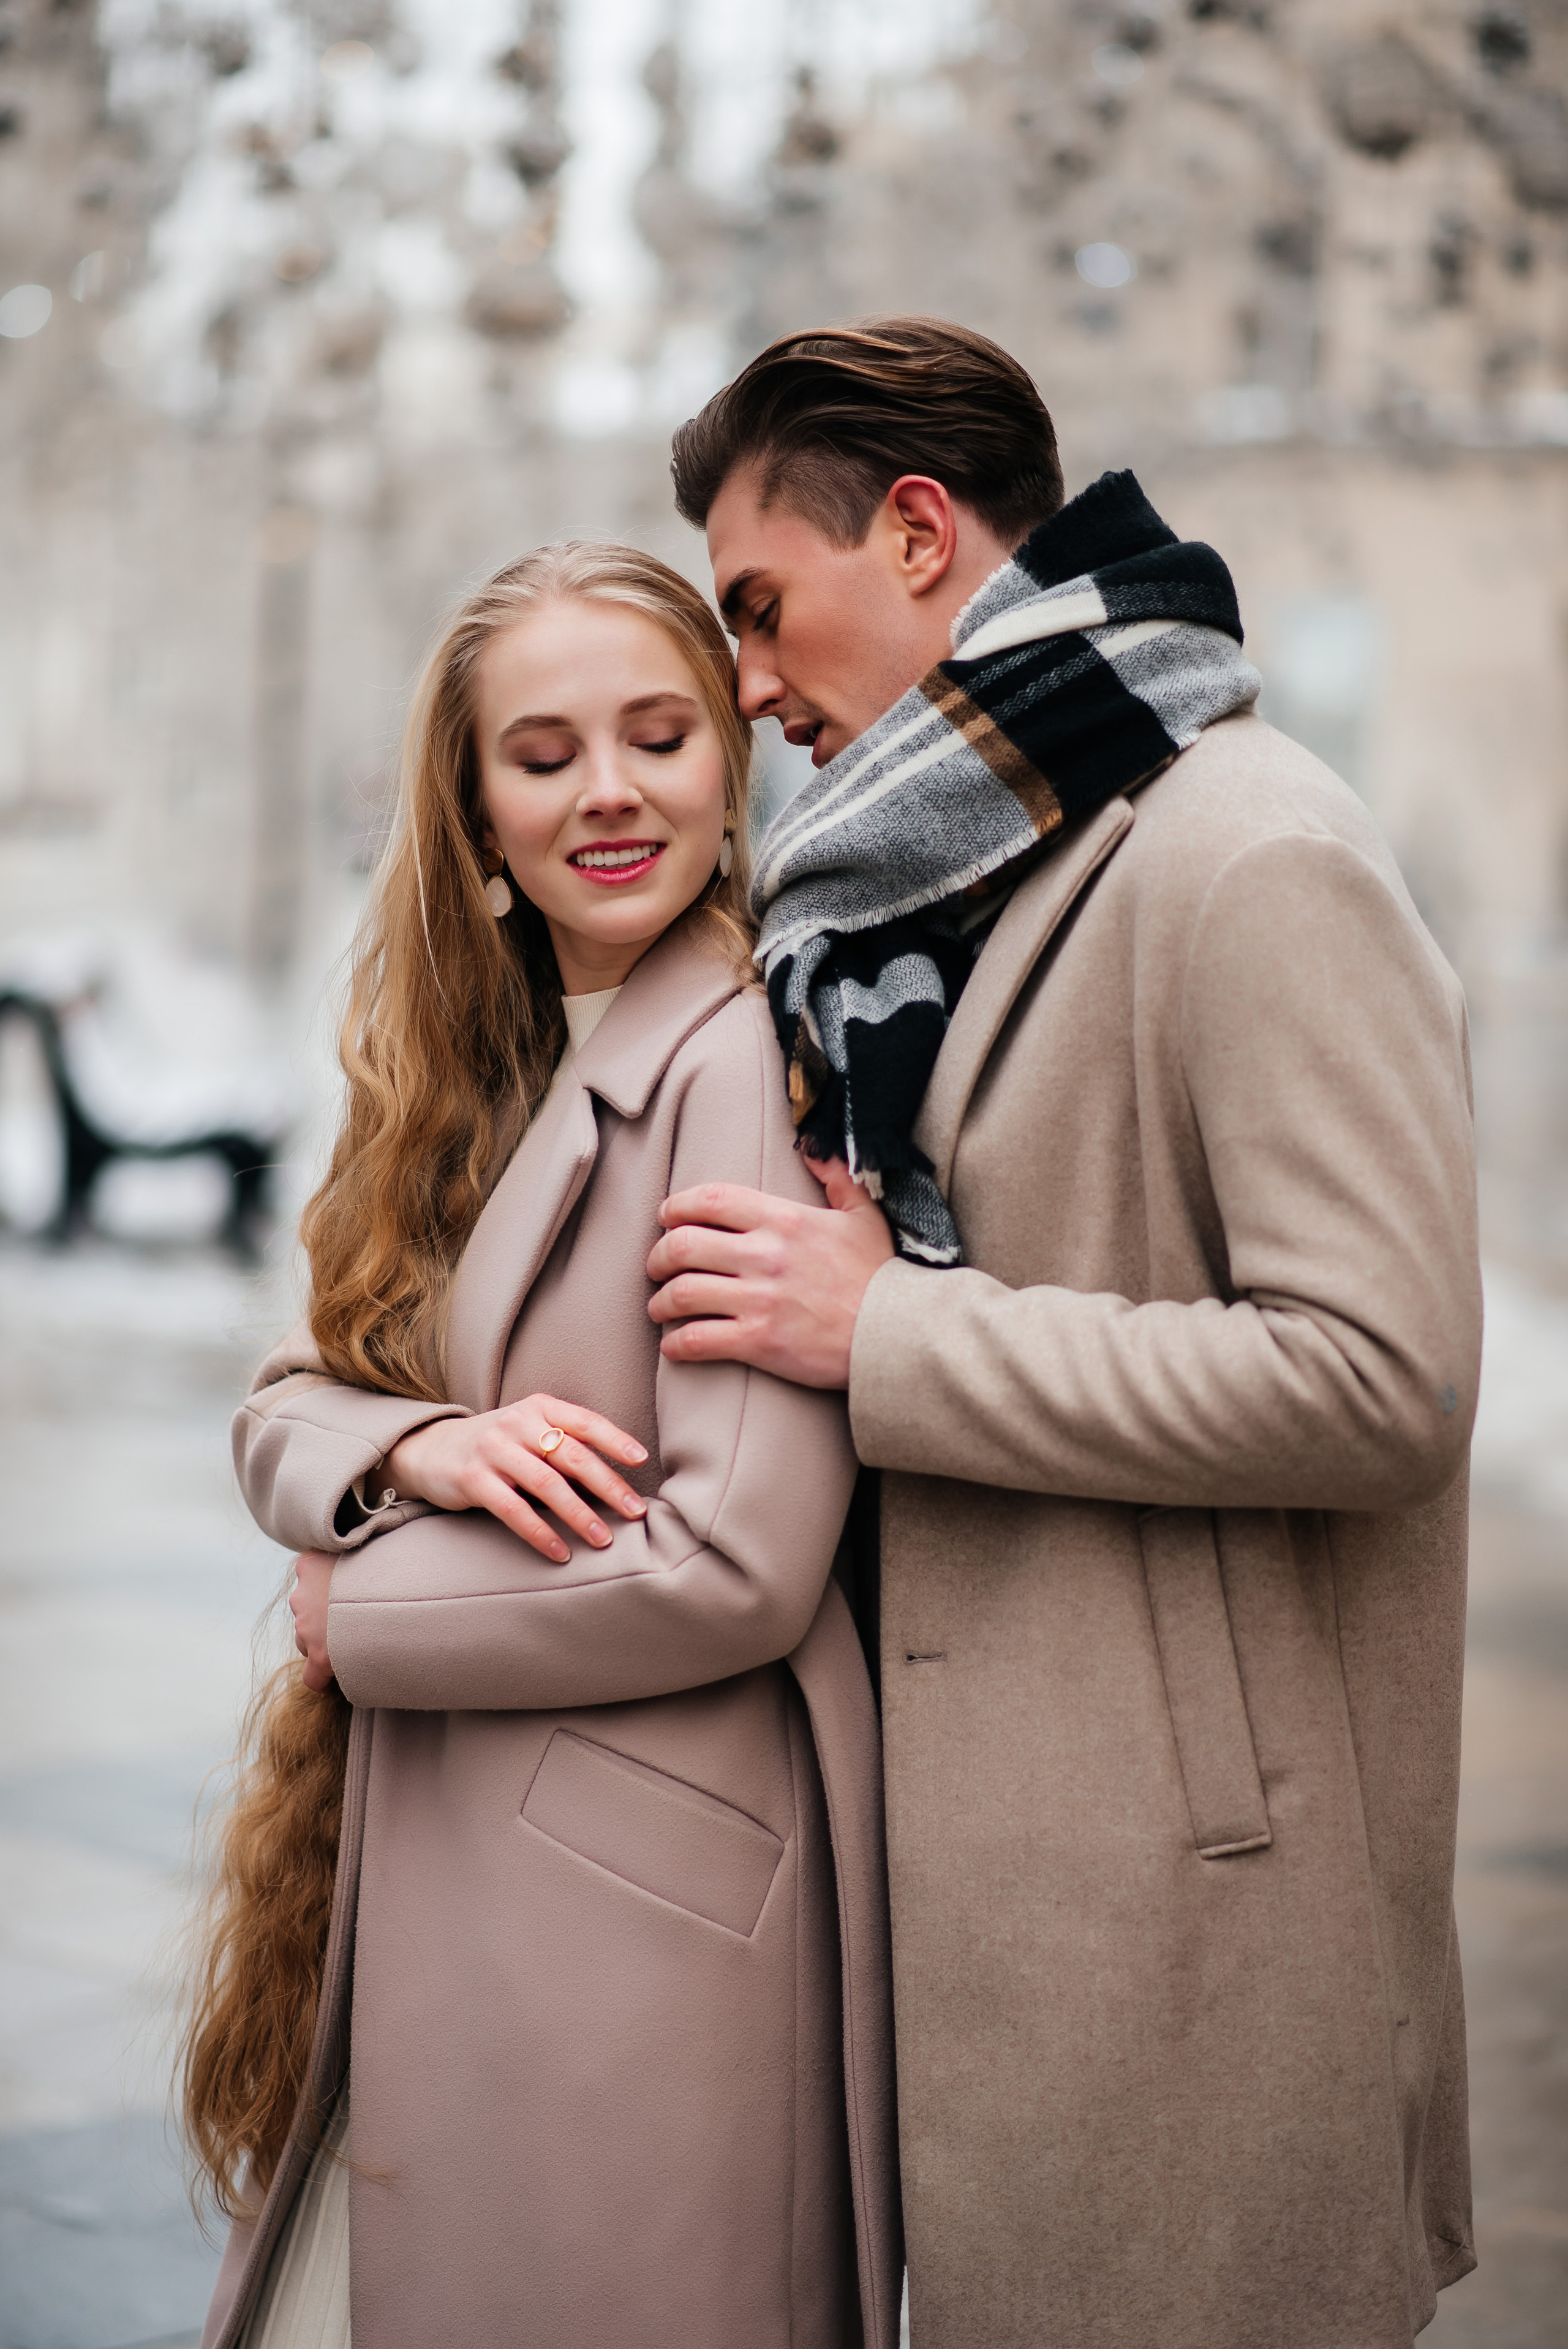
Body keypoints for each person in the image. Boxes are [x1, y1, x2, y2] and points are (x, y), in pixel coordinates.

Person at [647, 319, 1482, 2348]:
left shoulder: (1248, 849)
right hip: (972, 1890)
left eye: (761, 610)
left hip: (1197, 1922)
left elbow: (1386, 1376)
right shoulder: (929, 888)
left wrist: (898, 1334)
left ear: (921, 532)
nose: (745, 693)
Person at [185, 543, 900, 2349]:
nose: (609, 793)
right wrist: (417, 1448)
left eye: (661, 734)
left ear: (731, 765)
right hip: (479, 1866)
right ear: (474, 805)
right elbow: (282, 1402)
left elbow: (737, 1559)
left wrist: (364, 1614)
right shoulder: (472, 1060)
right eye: (545, 751)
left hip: (638, 1905)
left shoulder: (738, 1055)